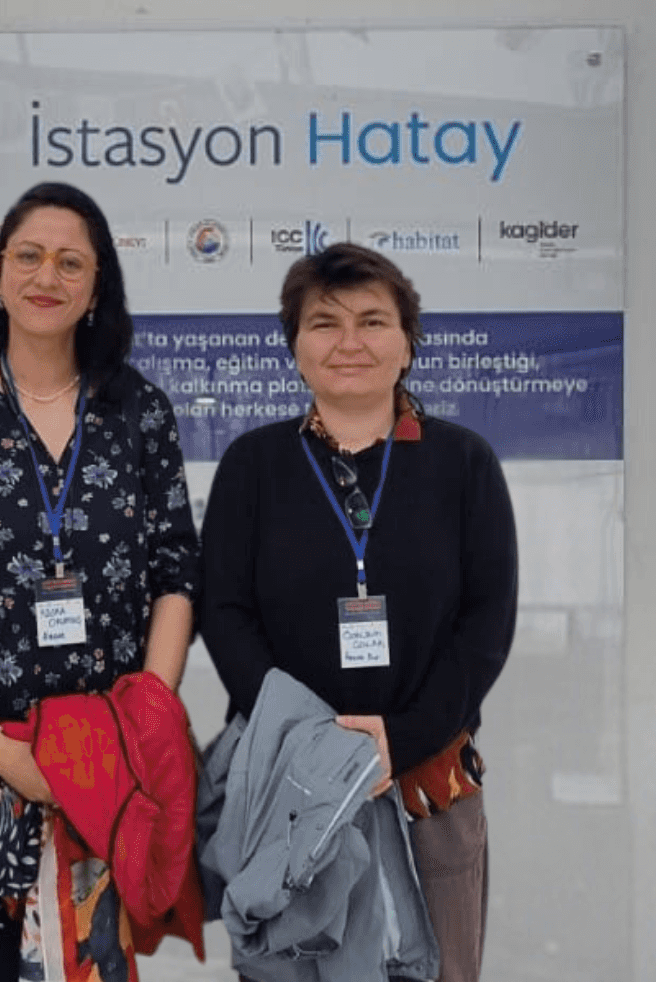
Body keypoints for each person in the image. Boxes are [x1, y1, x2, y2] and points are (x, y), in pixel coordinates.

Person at [0, 182, 200, 982]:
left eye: (69, 261)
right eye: (28, 255)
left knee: (101, 961)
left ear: (96, 287)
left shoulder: (140, 412)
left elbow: (175, 575)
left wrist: (142, 728)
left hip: (111, 762)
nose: (45, 276)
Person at [199, 243, 518, 982]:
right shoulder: (253, 465)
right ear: (295, 347)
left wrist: (400, 737)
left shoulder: (463, 462)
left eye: (373, 321)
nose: (349, 342)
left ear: (407, 344)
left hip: (428, 780)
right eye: (324, 323)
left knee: (436, 968)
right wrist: (317, 745)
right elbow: (225, 611)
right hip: (285, 783)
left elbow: (485, 624)